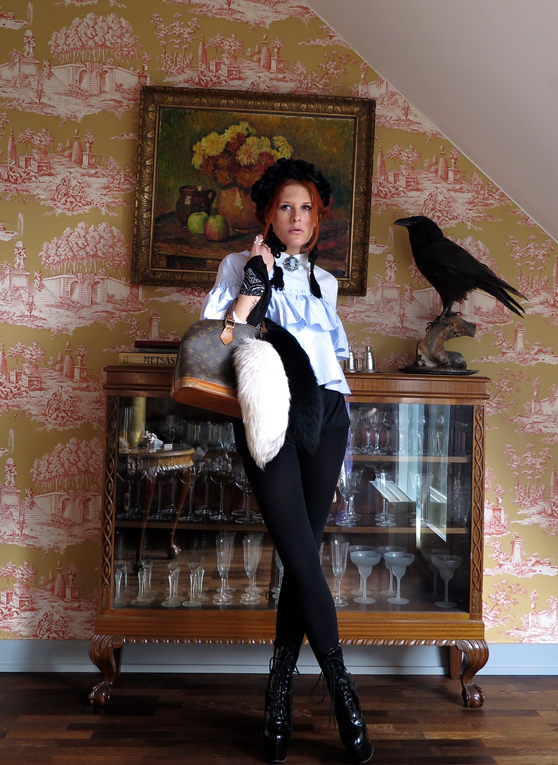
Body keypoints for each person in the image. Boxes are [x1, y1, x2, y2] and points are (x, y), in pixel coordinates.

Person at [201, 158, 373, 764]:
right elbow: (219, 340)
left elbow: (335, 360)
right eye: (285, 207)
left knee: (303, 562)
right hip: (271, 412)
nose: (296, 218)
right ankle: (342, 692)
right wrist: (255, 283)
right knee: (301, 557)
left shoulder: (325, 282)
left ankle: (279, 692)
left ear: (316, 218)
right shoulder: (239, 265)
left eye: (306, 209)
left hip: (328, 417)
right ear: (267, 215)